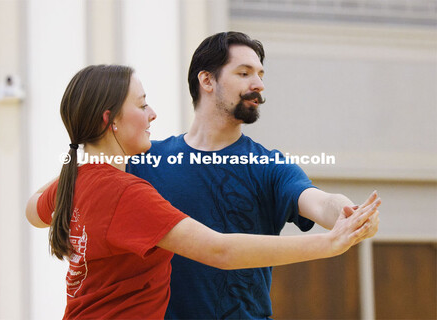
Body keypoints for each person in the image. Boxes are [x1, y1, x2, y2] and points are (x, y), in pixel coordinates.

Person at [26, 64, 379, 319]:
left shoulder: (77, 180)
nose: (152, 113)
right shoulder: (125, 192)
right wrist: (329, 243)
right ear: (109, 120)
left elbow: (32, 212)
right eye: (141, 104)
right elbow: (219, 249)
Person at [127, 32, 381, 319]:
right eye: (244, 73)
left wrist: (348, 213)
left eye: (260, 74)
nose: (258, 84)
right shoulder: (145, 162)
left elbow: (320, 203)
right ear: (207, 81)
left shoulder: (268, 165)